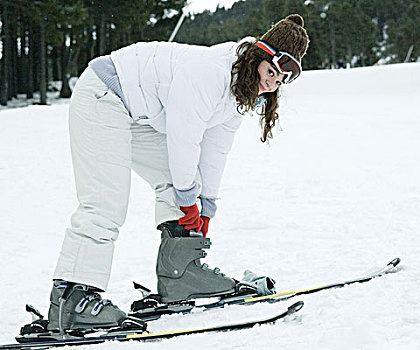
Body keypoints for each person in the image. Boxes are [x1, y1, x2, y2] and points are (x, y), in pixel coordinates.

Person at [47, 14, 309, 333]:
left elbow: (215, 151)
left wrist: (206, 207)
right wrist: (189, 205)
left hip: (137, 115)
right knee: (106, 201)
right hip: (105, 95)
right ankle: (74, 299)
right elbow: (183, 138)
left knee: (180, 182)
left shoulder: (240, 91)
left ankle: (181, 273)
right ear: (258, 57)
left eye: (280, 81)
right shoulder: (211, 72)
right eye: (271, 72)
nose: (271, 84)